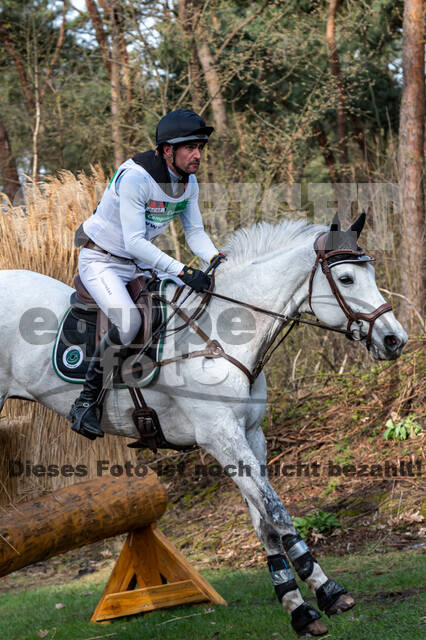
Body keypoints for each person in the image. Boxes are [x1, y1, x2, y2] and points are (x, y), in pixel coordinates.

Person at [69, 108, 221, 440]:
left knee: (179, 305)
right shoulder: (136, 177)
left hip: (138, 264)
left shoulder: (188, 182)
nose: (198, 155)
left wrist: (217, 258)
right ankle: (85, 402)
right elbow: (134, 242)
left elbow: (194, 233)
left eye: (201, 148)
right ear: (168, 150)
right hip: (102, 260)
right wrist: (183, 270)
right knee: (130, 323)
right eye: (190, 148)